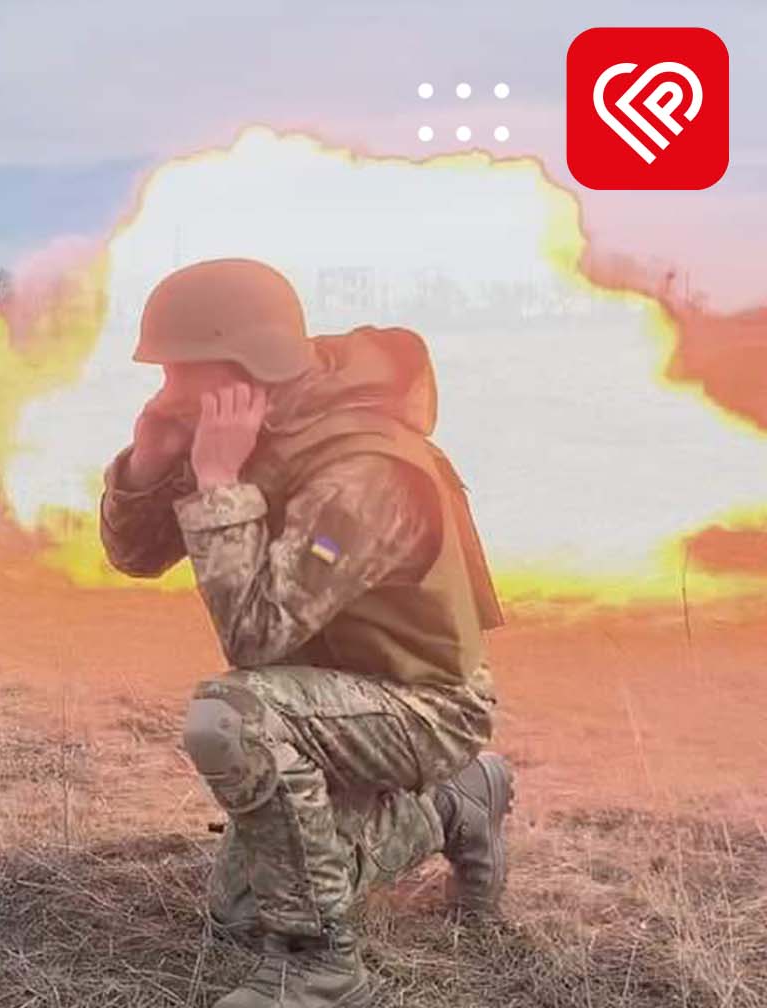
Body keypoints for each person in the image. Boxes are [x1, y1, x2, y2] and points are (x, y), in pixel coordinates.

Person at [99, 258, 515, 1007]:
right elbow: (135, 557)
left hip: (422, 704)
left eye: (178, 373)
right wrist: (148, 465)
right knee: (242, 912)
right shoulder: (256, 423)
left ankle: (319, 968)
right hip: (335, 694)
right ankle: (458, 801)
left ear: (243, 366)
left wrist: (220, 483)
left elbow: (256, 637)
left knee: (232, 715)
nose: (166, 392)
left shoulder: (362, 468)